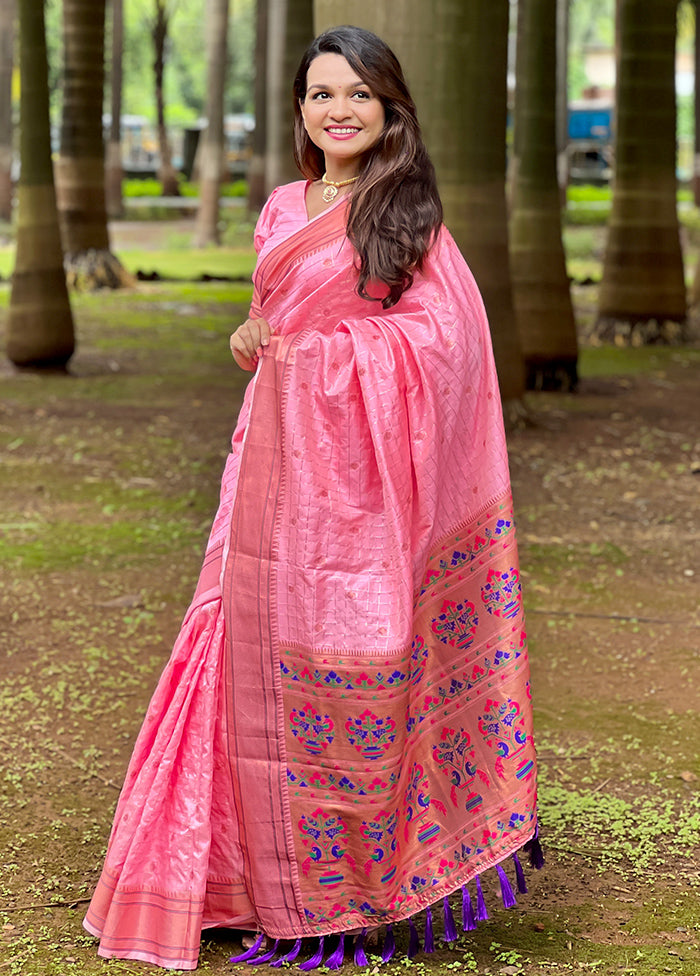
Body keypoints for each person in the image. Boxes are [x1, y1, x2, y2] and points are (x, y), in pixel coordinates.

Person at [83, 25, 541, 972]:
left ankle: (350, 890)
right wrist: (259, 334)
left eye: (360, 94)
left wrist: (321, 359)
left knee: (364, 653)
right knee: (226, 641)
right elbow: (280, 317)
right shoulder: (283, 208)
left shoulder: (409, 216)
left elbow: (447, 348)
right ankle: (226, 882)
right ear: (300, 108)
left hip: (362, 495)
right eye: (321, 93)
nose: (340, 110)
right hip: (267, 465)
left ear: (390, 109)